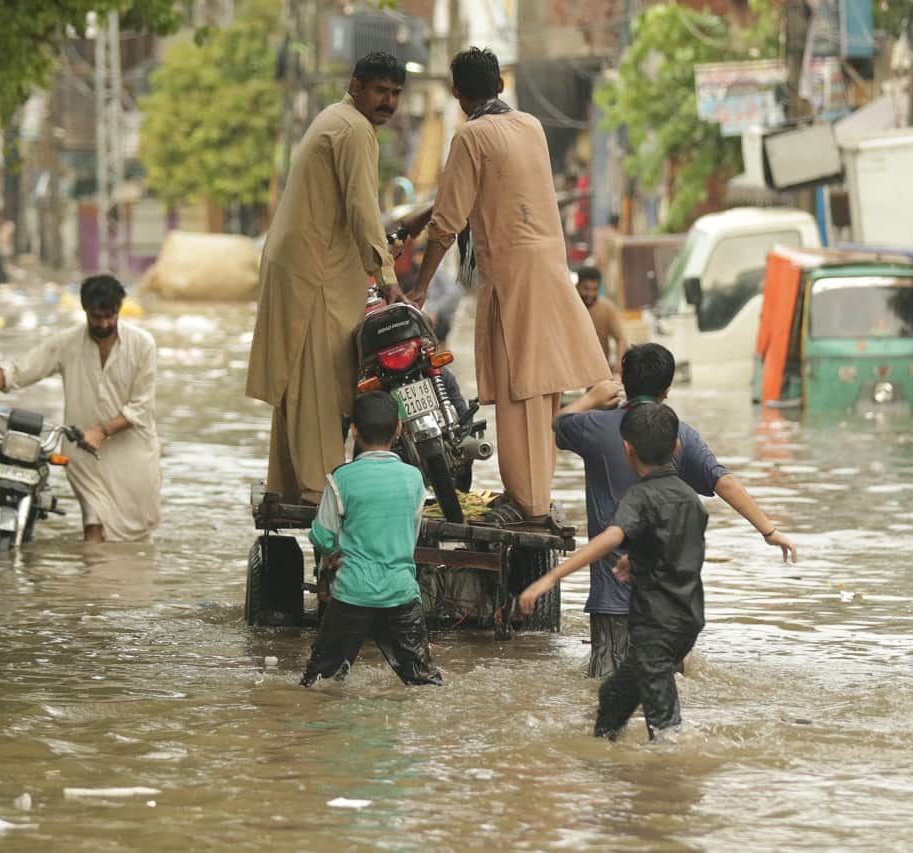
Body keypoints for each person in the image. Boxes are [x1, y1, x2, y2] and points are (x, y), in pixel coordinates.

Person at [402, 47, 609, 524]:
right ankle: (533, 492)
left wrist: (419, 288)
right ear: (500, 86)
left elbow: (448, 223)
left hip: (513, 275)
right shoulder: (530, 126)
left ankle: (527, 500)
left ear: (457, 93)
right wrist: (419, 216)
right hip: (548, 268)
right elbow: (474, 191)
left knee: (520, 388)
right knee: (540, 389)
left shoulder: (470, 136)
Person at [554, 343, 797, 677]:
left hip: (613, 600)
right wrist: (769, 531)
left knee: (604, 695)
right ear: (667, 391)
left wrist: (592, 398)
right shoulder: (679, 435)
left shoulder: (593, 427)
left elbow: (558, 424)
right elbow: (723, 482)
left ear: (624, 380)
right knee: (666, 696)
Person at [247, 51, 407, 505]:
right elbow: (362, 207)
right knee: (321, 387)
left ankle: (289, 482)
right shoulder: (354, 129)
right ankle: (320, 494)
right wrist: (388, 275)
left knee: (299, 384)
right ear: (357, 87)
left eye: (396, 93)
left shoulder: (335, 118)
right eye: (381, 90)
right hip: (313, 273)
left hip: (300, 266)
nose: (389, 102)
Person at [519, 404, 705, 740]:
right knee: (612, 696)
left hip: (655, 627)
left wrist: (550, 577)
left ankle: (672, 782)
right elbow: (677, 544)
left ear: (627, 449)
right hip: (687, 621)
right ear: (677, 446)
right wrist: (636, 558)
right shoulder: (691, 499)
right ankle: (611, 766)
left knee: (664, 728)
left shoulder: (638, 497)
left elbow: (610, 537)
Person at [0, 274, 161, 543]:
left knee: (137, 533)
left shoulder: (143, 345)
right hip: (85, 454)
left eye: (110, 317)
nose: (104, 324)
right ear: (85, 310)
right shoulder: (66, 343)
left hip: (133, 453)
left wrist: (102, 431)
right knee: (94, 526)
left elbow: (141, 406)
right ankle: (94, 581)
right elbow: (16, 371)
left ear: (119, 311)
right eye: (97, 316)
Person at [301, 391, 443, 688]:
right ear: (399, 429)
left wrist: (335, 552)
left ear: (353, 429)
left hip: (352, 595)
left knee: (318, 683)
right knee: (424, 683)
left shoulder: (341, 478)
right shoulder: (414, 479)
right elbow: (412, 532)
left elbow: (322, 535)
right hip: (402, 594)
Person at [576, 265, 629, 373]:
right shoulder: (568, 307)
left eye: (594, 289)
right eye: (586, 289)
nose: (590, 294)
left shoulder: (607, 308)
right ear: (577, 286)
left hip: (600, 371)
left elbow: (620, 339)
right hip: (573, 373)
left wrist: (619, 363)